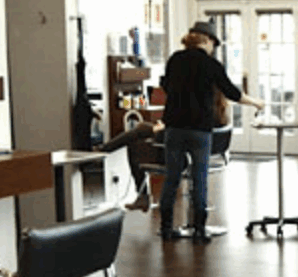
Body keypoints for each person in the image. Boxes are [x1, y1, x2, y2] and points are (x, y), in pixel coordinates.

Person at [158, 21, 264, 243]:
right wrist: (255, 102)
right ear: (206, 40)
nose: (213, 48)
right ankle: (198, 230)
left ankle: (166, 229)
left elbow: (166, 86)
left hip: (174, 127)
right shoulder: (211, 64)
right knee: (199, 178)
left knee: (172, 178)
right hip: (199, 129)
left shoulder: (175, 60)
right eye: (213, 44)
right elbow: (232, 93)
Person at [99, 89, 231, 212]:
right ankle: (104, 149)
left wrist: (163, 128)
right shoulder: (220, 112)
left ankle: (105, 151)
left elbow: (180, 134)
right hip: (202, 158)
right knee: (139, 135)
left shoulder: (198, 111)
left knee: (138, 136)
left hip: (180, 157)